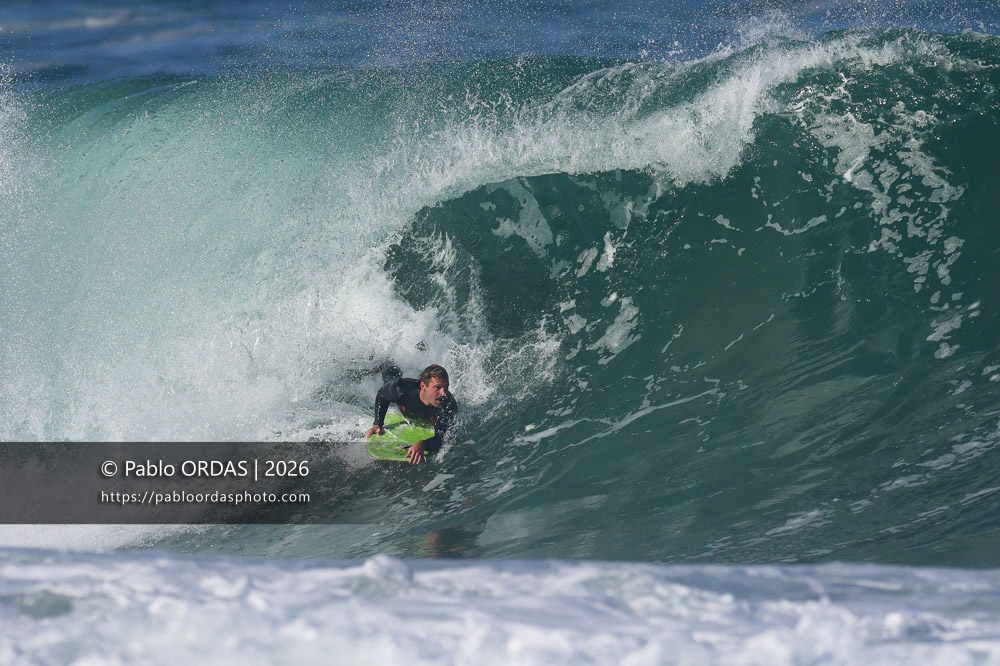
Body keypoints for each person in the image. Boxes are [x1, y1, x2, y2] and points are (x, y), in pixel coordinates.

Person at [365, 364, 458, 464]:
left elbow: (442, 438)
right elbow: (382, 394)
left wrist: (424, 444)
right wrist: (378, 423)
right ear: (423, 386)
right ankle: (385, 363)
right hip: (403, 388)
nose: (443, 393)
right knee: (390, 378)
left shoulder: (448, 405)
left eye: (446, 387)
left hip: (421, 416)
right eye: (438, 387)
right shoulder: (402, 390)